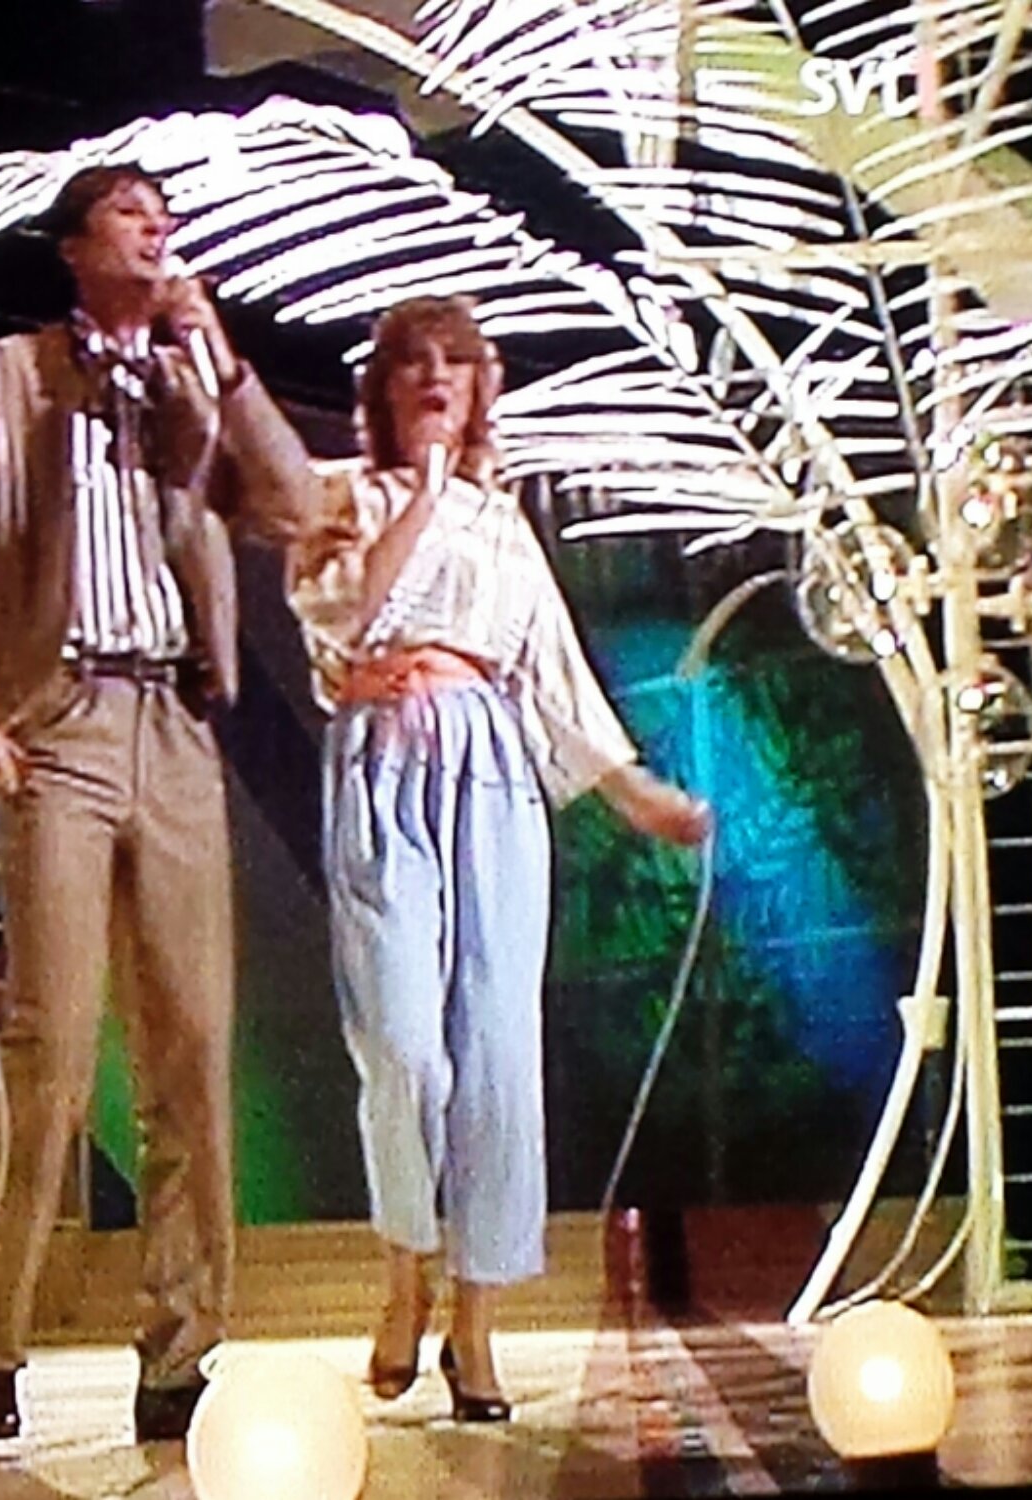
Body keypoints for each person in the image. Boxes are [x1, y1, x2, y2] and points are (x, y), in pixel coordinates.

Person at [0, 164, 319, 1441]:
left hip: (174, 726)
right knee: (55, 1052)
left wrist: (219, 363)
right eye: (131, 214)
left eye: (163, 218)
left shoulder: (193, 387)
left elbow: (295, 505)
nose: (156, 230)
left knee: (191, 1050)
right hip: (59, 723)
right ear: (74, 246)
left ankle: (179, 1353)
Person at [285, 297, 710, 1421]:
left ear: (482, 386)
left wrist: (630, 790)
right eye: (413, 363)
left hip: (491, 771)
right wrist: (425, 489)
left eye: (456, 363)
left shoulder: (504, 525)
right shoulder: (343, 496)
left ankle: (475, 1326)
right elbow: (343, 618)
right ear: (382, 388)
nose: (435, 378)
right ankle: (404, 1270)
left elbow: (550, 672)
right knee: (399, 1045)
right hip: (382, 760)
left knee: (496, 1052)